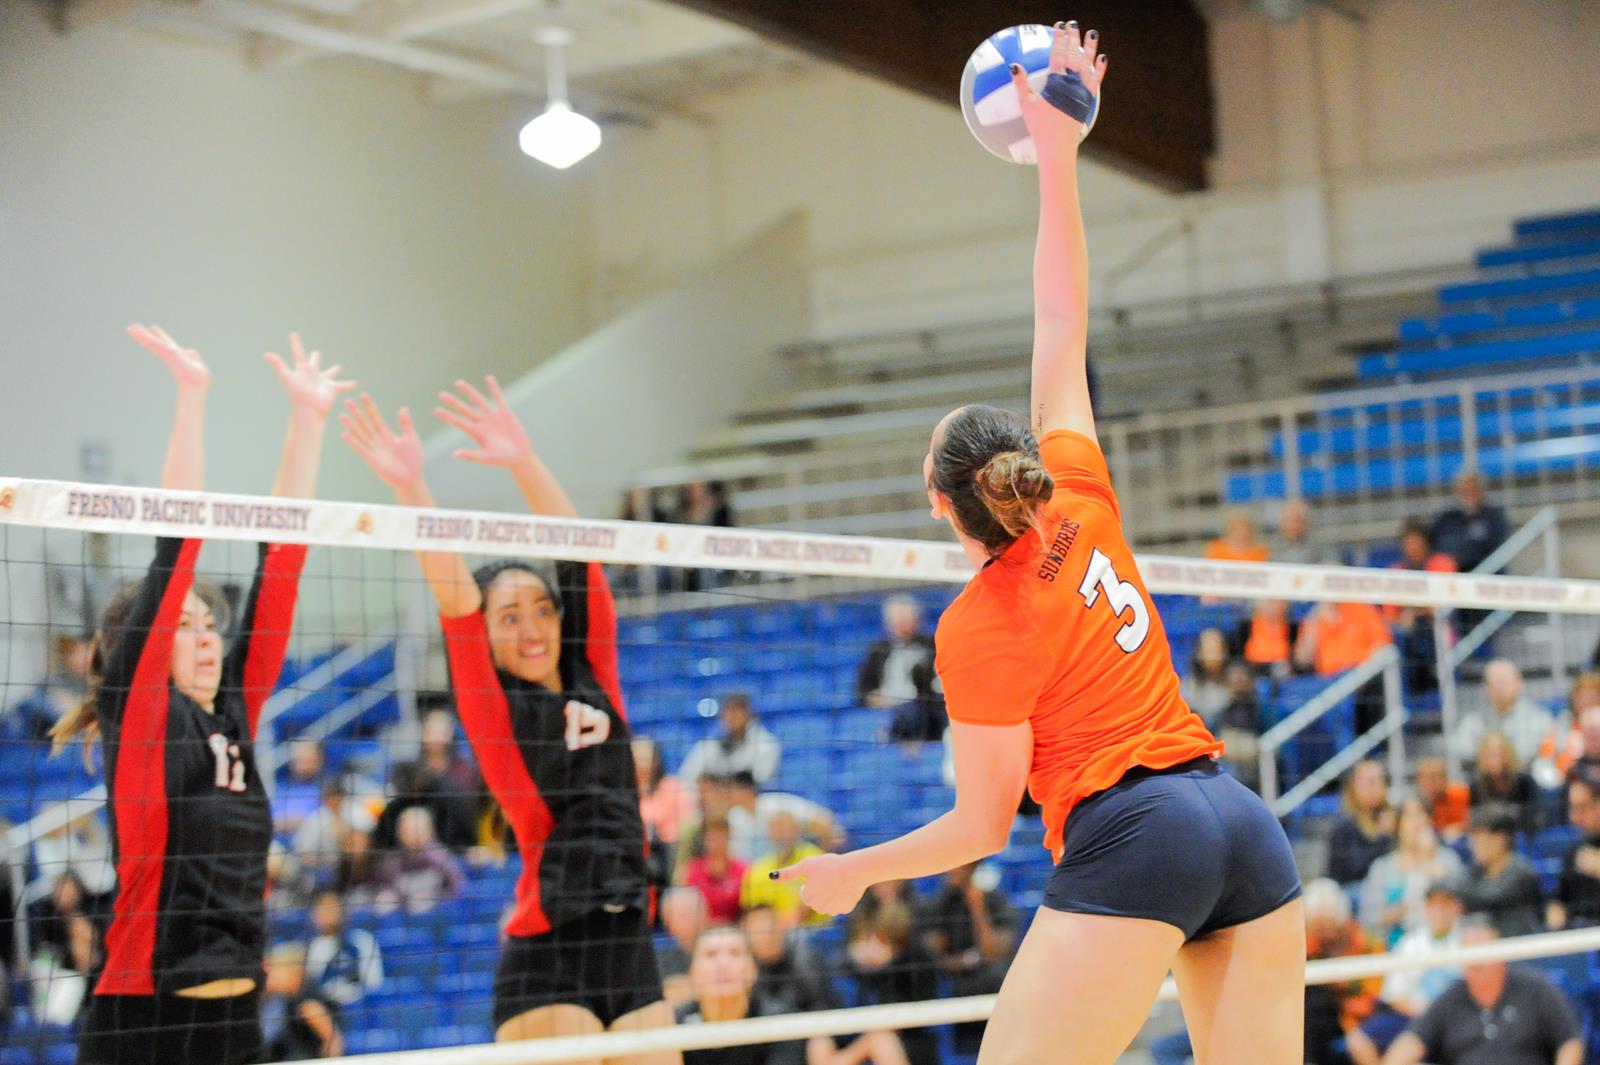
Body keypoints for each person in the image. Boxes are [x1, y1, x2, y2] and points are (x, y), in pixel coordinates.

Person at [775, 29, 1304, 1065]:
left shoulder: (977, 624)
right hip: (1238, 818)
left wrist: (851, 871)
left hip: (1137, 834)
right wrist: (1058, 152)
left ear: (939, 505)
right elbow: (1061, 317)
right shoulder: (1077, 491)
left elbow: (979, 828)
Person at [342, 377, 675, 1056]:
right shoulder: (493, 705)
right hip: (549, 954)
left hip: (632, 946)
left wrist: (524, 460)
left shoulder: (594, 673)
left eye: (542, 609)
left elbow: (577, 553)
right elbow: (453, 595)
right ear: (486, 634)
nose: (532, 627)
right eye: (510, 616)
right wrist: (411, 486)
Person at [55, 325, 345, 1065]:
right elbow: (176, 544)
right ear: (147, 648)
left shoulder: (236, 712)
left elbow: (283, 560)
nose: (208, 636)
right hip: (146, 1019)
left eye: (210, 622)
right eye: (184, 626)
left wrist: (308, 419)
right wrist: (193, 396)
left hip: (237, 1019)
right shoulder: (143, 715)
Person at [1379, 916, 1581, 1065]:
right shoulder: (1451, 998)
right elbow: (1411, 1042)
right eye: (1469, 953)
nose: (1475, 961)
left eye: (1481, 952)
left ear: (1499, 954)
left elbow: (1570, 1042)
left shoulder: (1535, 989)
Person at [1345, 879, 1464, 1065]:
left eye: (1446, 904)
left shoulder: (1469, 940)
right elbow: (1395, 995)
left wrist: (1436, 1017)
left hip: (1456, 1019)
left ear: (1457, 908)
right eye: (1434, 905)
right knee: (1358, 1041)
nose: (1439, 911)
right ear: (1425, 908)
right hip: (1410, 1017)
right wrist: (1422, 1015)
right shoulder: (1410, 943)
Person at [674, 927, 809, 1065]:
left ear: (753, 970)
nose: (723, 964)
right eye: (711, 954)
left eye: (735, 953)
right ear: (692, 972)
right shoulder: (676, 1024)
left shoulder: (781, 1022)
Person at [920, 863, 1016, 1057]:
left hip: (991, 982)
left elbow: (994, 952)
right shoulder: (937, 903)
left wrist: (977, 906)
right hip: (953, 983)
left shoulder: (994, 900)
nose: (953, 870)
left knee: (1001, 976)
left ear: (973, 866)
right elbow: (933, 957)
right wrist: (959, 962)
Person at [837, 882, 939, 1064]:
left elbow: (920, 997)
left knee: (881, 1040)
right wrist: (858, 959)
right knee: (819, 1041)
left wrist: (887, 962)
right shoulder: (859, 913)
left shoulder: (916, 949)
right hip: (861, 1028)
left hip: (907, 1034)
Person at [1358, 795, 1463, 946]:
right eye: (1410, 816)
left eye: (1422, 814)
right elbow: (1369, 918)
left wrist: (1429, 862)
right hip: (1396, 945)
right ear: (1398, 825)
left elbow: (1460, 904)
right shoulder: (1382, 867)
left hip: (1446, 943)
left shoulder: (1448, 859)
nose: (1417, 822)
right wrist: (1403, 910)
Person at [1301, 878, 1382, 1065]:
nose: (1325, 932)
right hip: (1318, 1013)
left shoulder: (1366, 942)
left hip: (1355, 1014)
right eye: (1318, 926)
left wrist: (1342, 998)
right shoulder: (1309, 942)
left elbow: (1372, 996)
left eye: (1329, 924)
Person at [856, 595, 946, 743]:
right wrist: (879, 700)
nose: (904, 627)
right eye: (898, 623)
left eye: (907, 621)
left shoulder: (933, 645)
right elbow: (862, 691)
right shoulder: (877, 651)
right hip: (890, 710)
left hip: (927, 712)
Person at [1295, 601, 1393, 735]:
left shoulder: (1361, 610)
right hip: (1327, 683)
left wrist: (1364, 671)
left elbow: (1382, 643)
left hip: (1362, 677)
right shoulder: (1314, 618)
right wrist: (1313, 624)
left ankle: (1349, 742)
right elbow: (1302, 660)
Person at [1459, 803, 1543, 937]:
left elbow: (1495, 897)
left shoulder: (1521, 873)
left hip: (1517, 943)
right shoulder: (1474, 872)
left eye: (1479, 837)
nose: (1473, 845)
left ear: (1500, 839)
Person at [1456, 659, 1555, 769]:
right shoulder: (1473, 720)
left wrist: (1494, 754)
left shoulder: (1539, 719)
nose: (1500, 689)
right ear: (1486, 688)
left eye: (1504, 682)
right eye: (1495, 683)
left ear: (1519, 683)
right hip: (1483, 777)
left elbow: (1532, 754)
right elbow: (1460, 749)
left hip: (1526, 776)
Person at [370, 803, 466, 914]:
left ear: (430, 831)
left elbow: (459, 889)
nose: (412, 834)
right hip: (405, 918)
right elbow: (384, 889)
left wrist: (435, 898)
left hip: (437, 918)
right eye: (407, 830)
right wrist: (388, 896)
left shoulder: (441, 858)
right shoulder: (394, 863)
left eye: (417, 829)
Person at [742, 811, 828, 928]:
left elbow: (815, 899)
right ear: (769, 832)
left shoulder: (815, 857)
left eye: (787, 828)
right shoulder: (758, 869)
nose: (782, 833)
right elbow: (754, 910)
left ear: (797, 831)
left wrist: (791, 920)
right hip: (771, 930)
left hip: (814, 930)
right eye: (777, 828)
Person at [291, 776, 376, 890]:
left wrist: (344, 834)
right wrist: (323, 862)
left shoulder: (357, 812)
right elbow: (302, 851)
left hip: (358, 864)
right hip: (326, 868)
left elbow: (367, 840)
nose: (333, 801)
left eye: (336, 796)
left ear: (342, 797)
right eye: (329, 797)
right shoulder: (315, 818)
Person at [679, 694, 783, 787]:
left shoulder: (766, 744)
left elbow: (759, 781)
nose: (732, 717)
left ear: (749, 714)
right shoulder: (709, 745)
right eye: (728, 712)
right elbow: (685, 779)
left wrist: (718, 783)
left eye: (737, 711)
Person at [260, 943, 342, 1061]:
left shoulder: (307, 1001)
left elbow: (334, 1042)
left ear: (290, 972)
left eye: (275, 972)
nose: (271, 979)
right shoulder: (288, 998)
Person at [303, 890, 383, 1006]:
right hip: (324, 1008)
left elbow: (374, 984)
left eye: (332, 907)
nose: (328, 913)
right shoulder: (309, 948)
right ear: (314, 915)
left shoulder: (361, 939)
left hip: (359, 1008)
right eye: (323, 908)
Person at [1328, 760, 1397, 886]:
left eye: (1376, 781)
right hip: (1352, 888)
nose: (1371, 788)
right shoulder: (1344, 824)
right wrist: (1383, 837)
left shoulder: (1394, 816)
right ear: (1353, 787)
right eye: (1367, 782)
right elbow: (1355, 870)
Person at [1428, 470, 1511, 575]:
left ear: (1482, 490)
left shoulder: (1495, 517)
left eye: (1473, 488)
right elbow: (1435, 546)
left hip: (1487, 575)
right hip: (1453, 576)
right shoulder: (1445, 519)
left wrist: (1462, 556)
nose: (1469, 493)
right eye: (1465, 489)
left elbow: (1498, 549)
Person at [1546, 777, 1600, 930]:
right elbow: (1559, 900)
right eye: (1572, 808)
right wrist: (1555, 912)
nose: (1574, 817)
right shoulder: (1575, 851)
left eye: (1581, 807)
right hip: (1579, 935)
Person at [1468, 731, 1541, 836]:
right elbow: (1475, 820)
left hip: (1522, 837)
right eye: (1488, 755)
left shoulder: (1525, 782)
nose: (1493, 760)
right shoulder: (1476, 787)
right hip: (1491, 839)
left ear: (1508, 755)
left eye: (1497, 754)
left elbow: (1536, 816)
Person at [683, 817, 747, 925]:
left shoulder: (742, 869)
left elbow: (746, 908)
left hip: (735, 927)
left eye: (721, 836)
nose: (717, 842)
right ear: (704, 839)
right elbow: (687, 906)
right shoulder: (693, 869)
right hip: (701, 928)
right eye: (712, 837)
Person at [636, 736, 695, 850]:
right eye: (638, 757)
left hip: (669, 849)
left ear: (655, 759)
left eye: (645, 757)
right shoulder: (623, 791)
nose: (642, 763)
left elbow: (688, 823)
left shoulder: (672, 786)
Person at [655, 887, 706, 1009]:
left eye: (694, 912)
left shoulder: (718, 945)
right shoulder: (660, 957)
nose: (690, 920)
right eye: (682, 915)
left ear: (705, 914)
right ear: (667, 921)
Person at [274, 739, 329, 836]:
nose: (304, 767)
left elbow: (323, 820)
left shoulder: (327, 789)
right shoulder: (280, 789)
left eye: (308, 761)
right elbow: (268, 820)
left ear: (319, 761)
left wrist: (286, 823)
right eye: (300, 761)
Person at [1179, 628, 1232, 724]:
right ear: (1198, 653)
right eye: (1209, 649)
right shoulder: (1187, 688)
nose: (1213, 655)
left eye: (1217, 648)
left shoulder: (1238, 685)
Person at [1414, 756, 1470, 844]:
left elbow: (1474, 821)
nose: (1429, 783)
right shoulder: (1416, 803)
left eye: (1434, 777)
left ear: (1445, 777)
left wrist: (1459, 827)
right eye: (1424, 778)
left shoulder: (1460, 794)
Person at [1268, 499, 1337, 566]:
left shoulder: (1318, 544)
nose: (1294, 526)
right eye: (1290, 521)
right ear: (1282, 522)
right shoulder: (1273, 545)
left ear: (1306, 523)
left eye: (1298, 521)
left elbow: (1332, 563)